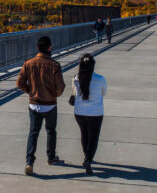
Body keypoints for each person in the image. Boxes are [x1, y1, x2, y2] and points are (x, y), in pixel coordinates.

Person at [17, 35, 66, 175]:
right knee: (51, 131)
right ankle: (51, 157)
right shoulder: (55, 65)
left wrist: (30, 91)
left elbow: (19, 83)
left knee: (33, 133)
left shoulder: (28, 63)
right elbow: (61, 87)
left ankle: (29, 162)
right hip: (50, 105)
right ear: (50, 48)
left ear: (37, 47)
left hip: (34, 105)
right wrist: (53, 95)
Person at [72, 54, 107, 175]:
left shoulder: (75, 79)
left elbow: (75, 93)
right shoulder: (100, 79)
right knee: (93, 137)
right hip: (95, 113)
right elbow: (104, 93)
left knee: (84, 133)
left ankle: (86, 156)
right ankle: (88, 159)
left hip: (79, 112)